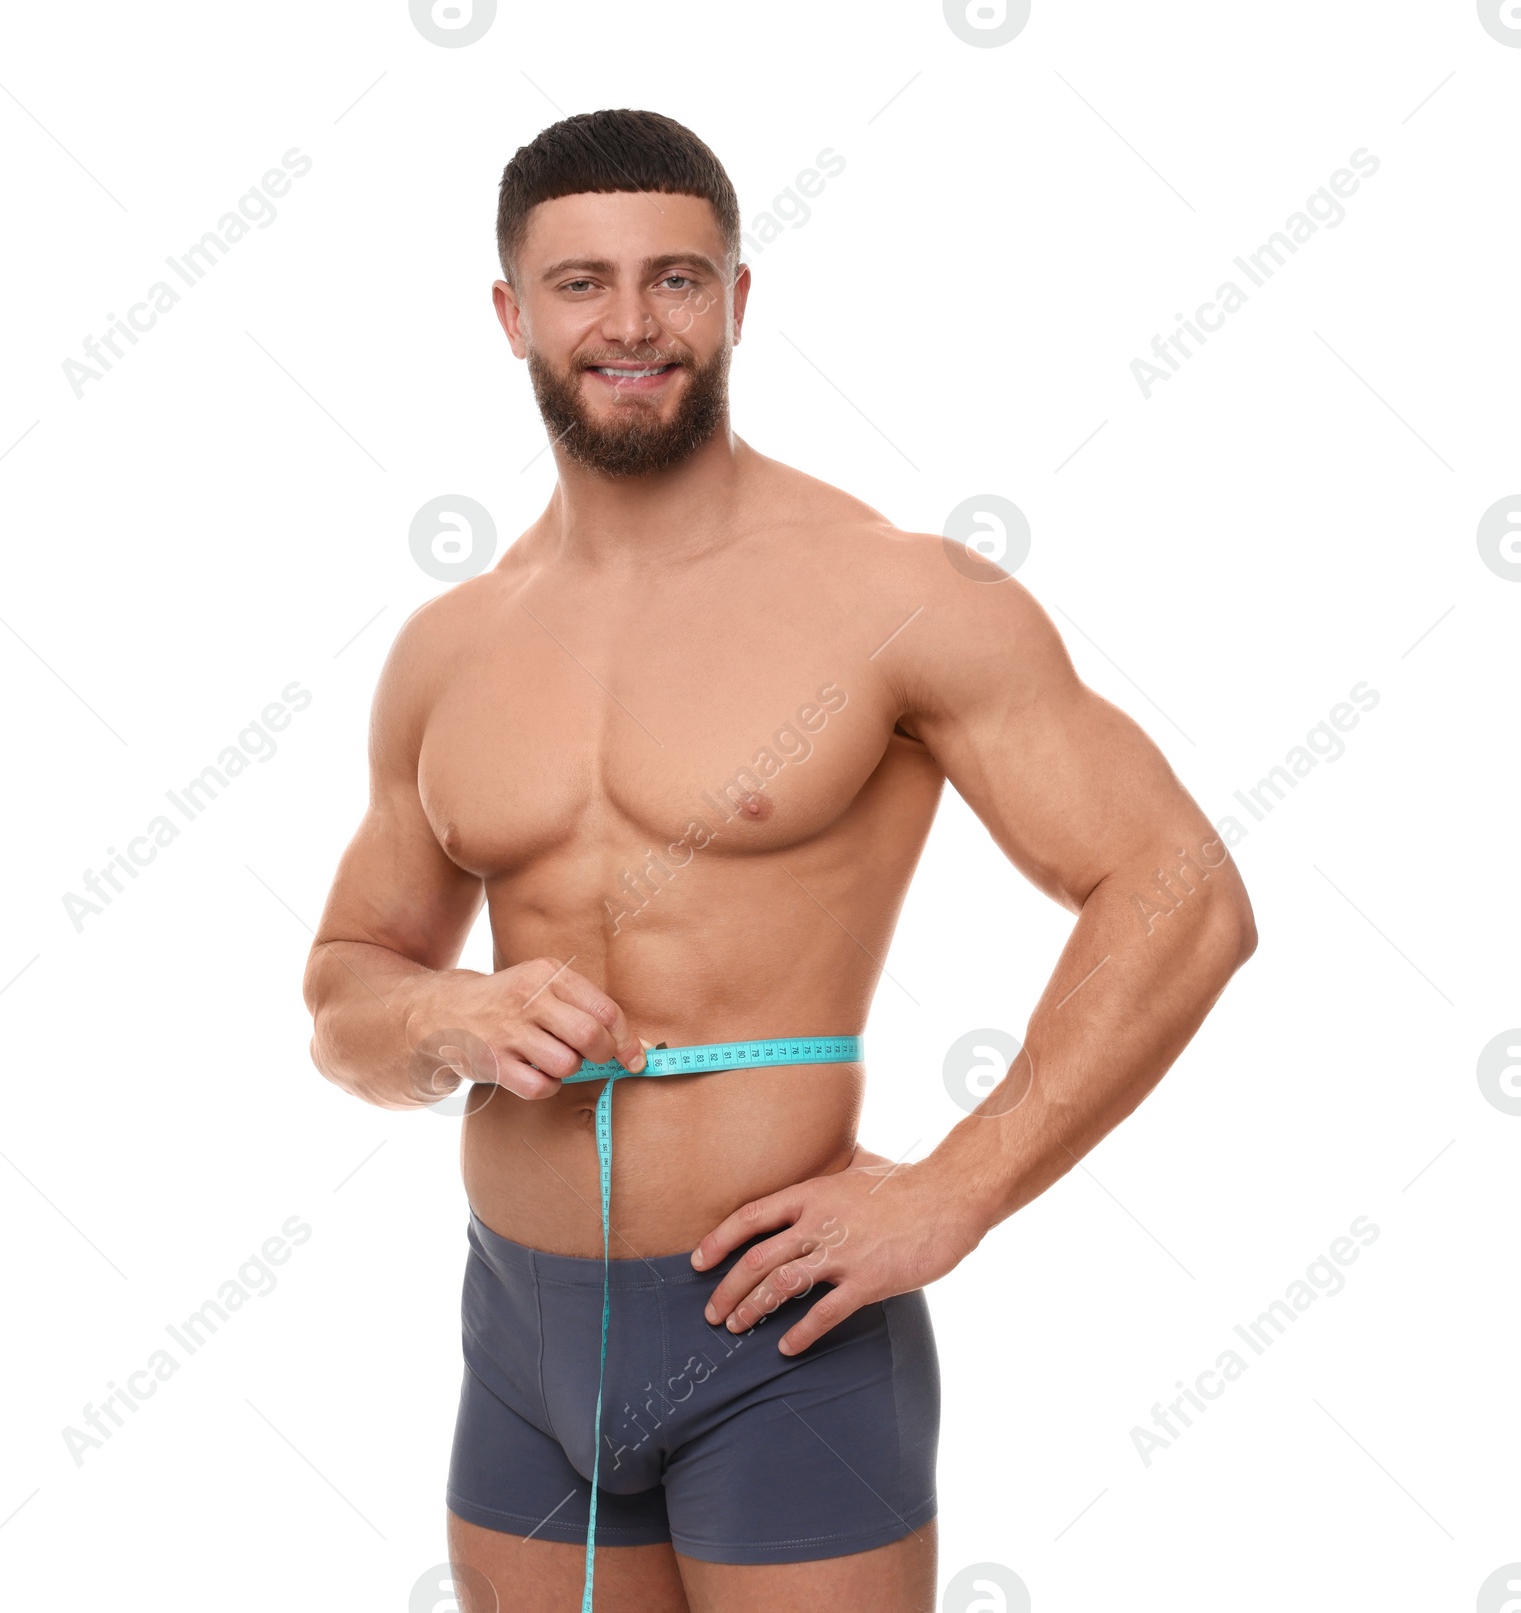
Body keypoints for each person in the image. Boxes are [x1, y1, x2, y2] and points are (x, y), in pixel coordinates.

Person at [301, 107, 1257, 1613]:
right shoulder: (449, 649)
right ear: (511, 315)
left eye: (677, 279)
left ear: (737, 299)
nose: (630, 323)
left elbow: (1179, 890)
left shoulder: (897, 593)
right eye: (581, 284)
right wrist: (444, 1017)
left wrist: (959, 1185)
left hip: (783, 1337)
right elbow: (346, 990)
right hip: (518, 1338)